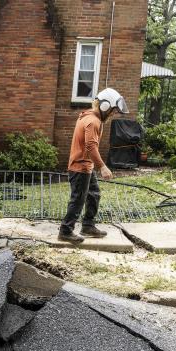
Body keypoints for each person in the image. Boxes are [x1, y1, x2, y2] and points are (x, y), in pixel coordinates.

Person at [59, 88, 129, 243]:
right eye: (112, 110)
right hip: (80, 167)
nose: (112, 114)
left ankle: (88, 226)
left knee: (94, 194)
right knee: (78, 199)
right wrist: (103, 167)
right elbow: (91, 147)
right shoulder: (93, 121)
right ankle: (65, 230)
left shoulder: (90, 116)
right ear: (104, 106)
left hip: (86, 167)